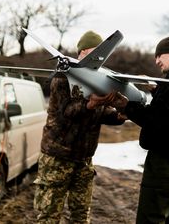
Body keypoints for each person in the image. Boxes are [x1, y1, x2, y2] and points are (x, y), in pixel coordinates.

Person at [109, 36, 169, 223]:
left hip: (166, 159)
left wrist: (127, 107)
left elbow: (157, 119)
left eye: (159, 56)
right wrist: (157, 90)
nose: (156, 61)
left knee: (151, 217)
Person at [33, 31, 125, 224]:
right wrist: (91, 104)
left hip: (83, 160)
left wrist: (120, 114)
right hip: (57, 158)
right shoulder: (63, 77)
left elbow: (102, 113)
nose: (99, 58)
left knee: (81, 215)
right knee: (48, 216)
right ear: (82, 52)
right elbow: (66, 112)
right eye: (94, 52)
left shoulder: (99, 78)